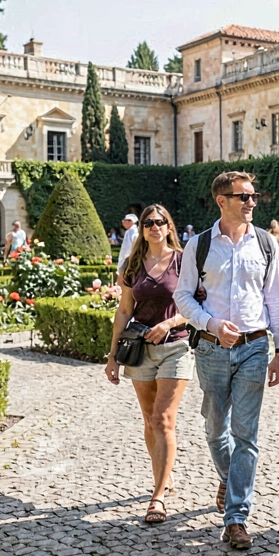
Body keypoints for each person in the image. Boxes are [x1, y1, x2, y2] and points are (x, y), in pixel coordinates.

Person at [173, 171, 279, 551]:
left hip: (255, 347)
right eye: (243, 196)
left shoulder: (267, 243)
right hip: (210, 347)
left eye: (254, 196)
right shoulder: (200, 245)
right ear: (222, 200)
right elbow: (183, 296)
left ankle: (237, 517)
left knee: (246, 436)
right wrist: (210, 323)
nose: (251, 202)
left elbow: (275, 300)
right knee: (214, 428)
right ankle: (229, 477)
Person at [105, 204, 193, 525]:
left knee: (163, 419)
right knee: (149, 419)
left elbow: (196, 306)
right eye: (148, 223)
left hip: (176, 346)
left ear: (170, 227)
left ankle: (156, 497)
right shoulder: (131, 266)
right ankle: (163, 476)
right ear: (141, 229)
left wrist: (169, 324)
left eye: (160, 222)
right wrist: (112, 355)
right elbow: (124, 310)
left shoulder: (184, 262)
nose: (154, 227)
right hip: (139, 348)